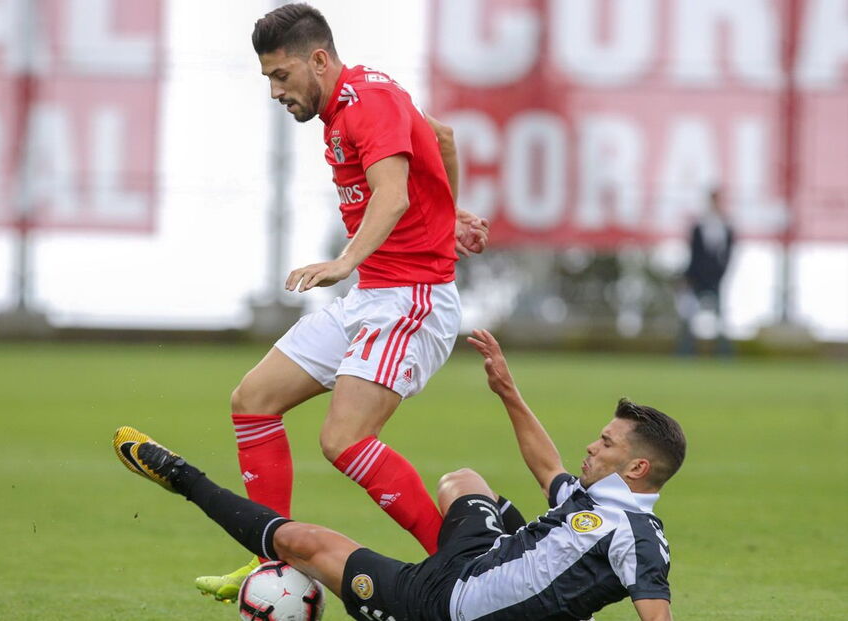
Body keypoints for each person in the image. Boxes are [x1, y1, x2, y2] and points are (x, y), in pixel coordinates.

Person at [209, 2, 491, 601]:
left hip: (410, 301)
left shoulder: (370, 104)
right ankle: (272, 555)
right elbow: (441, 137)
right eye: (267, 80)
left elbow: (389, 198)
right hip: (374, 296)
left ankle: (471, 572)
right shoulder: (354, 100)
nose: (275, 92)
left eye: (281, 77)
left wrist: (343, 263)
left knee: (342, 439)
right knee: (253, 401)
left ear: (318, 60)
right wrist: (450, 212)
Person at [113, 329, 686, 620]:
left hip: (442, 606)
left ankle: (181, 476)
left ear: (638, 467)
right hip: (478, 559)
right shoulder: (592, 501)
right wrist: (506, 389)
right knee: (462, 481)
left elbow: (654, 613)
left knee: (304, 542)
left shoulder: (636, 538)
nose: (593, 444)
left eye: (605, 442)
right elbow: (548, 467)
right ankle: (470, 547)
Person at [677, 187, 735, 356]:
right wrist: (688, 276)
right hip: (697, 277)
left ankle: (724, 354)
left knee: (720, 317)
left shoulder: (725, 226)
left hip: (716, 278)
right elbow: (693, 254)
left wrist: (721, 273)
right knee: (690, 317)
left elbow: (728, 254)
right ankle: (686, 353)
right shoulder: (700, 226)